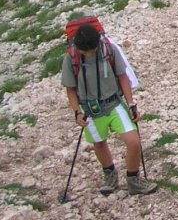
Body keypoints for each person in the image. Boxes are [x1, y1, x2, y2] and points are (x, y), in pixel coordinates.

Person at [61, 23, 156, 196]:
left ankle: (133, 180)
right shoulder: (71, 58)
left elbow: (123, 77)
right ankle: (110, 176)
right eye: (85, 51)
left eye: (91, 50)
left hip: (114, 104)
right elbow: (70, 89)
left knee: (133, 142)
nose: (88, 54)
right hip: (90, 110)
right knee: (99, 143)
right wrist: (77, 112)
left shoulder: (109, 50)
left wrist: (131, 103)